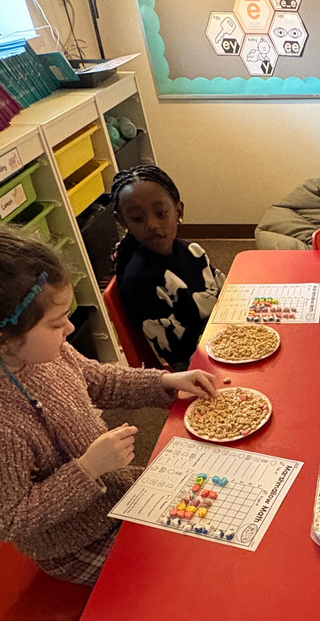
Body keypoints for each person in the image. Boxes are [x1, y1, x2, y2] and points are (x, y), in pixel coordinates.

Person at [0, 226, 217, 585]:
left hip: (118, 493)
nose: (70, 328)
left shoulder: (48, 354)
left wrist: (165, 382)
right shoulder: (7, 424)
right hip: (77, 545)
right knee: (184, 576)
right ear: (6, 340)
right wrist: (88, 469)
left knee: (209, 531)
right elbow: (13, 518)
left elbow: (100, 381)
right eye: (56, 324)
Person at [111, 165, 225, 370]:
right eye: (137, 218)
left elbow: (224, 291)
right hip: (197, 363)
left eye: (161, 213)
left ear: (178, 210)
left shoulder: (192, 250)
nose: (153, 225)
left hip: (221, 332)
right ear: (123, 221)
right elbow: (178, 353)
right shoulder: (141, 280)